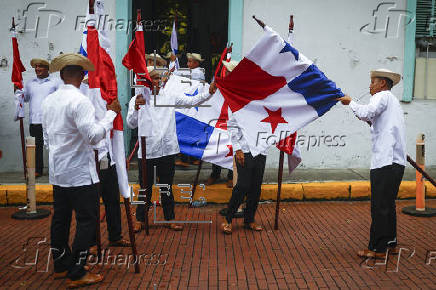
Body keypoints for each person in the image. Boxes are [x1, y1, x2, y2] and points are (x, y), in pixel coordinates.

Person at [42, 53, 121, 288]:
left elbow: (47, 138)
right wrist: (110, 115)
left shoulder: (49, 101)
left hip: (59, 171)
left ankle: (61, 264)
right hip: (79, 172)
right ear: (82, 75)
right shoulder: (80, 101)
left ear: (63, 75)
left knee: (61, 219)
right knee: (87, 220)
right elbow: (94, 136)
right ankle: (76, 270)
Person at [126, 66, 216, 233]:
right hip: (148, 151)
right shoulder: (138, 99)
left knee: (166, 186)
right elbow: (131, 124)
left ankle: (169, 218)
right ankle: (140, 219)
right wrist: (137, 108)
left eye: (159, 79)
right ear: (146, 81)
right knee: (144, 187)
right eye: (154, 79)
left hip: (167, 149)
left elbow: (191, 101)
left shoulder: (169, 95)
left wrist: (209, 92)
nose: (158, 82)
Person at [338, 69, 406, 258]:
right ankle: (390, 242)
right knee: (387, 204)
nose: (370, 86)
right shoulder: (393, 102)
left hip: (385, 161)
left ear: (382, 83)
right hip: (395, 162)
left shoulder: (382, 96)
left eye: (373, 82)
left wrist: (350, 102)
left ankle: (377, 248)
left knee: (380, 206)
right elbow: (371, 118)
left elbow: (367, 112)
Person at [80, 78, 131, 254]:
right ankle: (92, 241)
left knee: (112, 198)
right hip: (91, 157)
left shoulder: (105, 98)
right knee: (91, 202)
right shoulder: (83, 102)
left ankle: (115, 235)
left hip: (107, 156)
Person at [221, 68, 268, 233]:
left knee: (256, 188)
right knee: (242, 186)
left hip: (261, 149)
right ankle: (228, 218)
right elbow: (232, 126)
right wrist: (238, 149)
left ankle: (249, 219)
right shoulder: (237, 98)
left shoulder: (263, 100)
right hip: (245, 149)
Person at [22, 58, 62, 177]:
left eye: (40, 66)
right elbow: (25, 99)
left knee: (55, 146)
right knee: (36, 147)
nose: (37, 69)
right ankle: (38, 170)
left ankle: (56, 170)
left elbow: (61, 98)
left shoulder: (55, 82)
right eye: (36, 67)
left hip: (51, 120)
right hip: (34, 121)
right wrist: (18, 91)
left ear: (47, 69)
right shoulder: (30, 83)